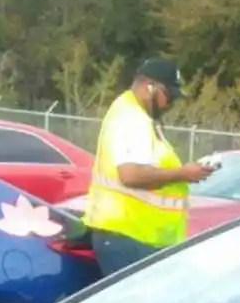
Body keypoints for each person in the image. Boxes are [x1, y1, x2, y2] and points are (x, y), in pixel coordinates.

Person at [83, 57, 211, 275]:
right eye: (169, 96)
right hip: (129, 236)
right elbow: (131, 175)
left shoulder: (137, 115)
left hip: (133, 235)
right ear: (149, 88)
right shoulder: (132, 119)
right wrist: (183, 173)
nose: (170, 104)